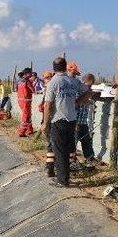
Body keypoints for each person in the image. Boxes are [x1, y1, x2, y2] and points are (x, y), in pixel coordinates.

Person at [42, 57, 93, 187]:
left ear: (54, 68)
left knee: (59, 151)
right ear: (65, 67)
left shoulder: (53, 82)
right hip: (72, 120)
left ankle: (62, 180)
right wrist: (78, 101)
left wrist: (45, 123)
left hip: (58, 120)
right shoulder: (73, 81)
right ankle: (65, 177)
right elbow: (88, 90)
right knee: (67, 149)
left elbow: (48, 105)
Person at [76, 73, 97, 165]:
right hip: (76, 121)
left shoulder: (87, 91)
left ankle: (90, 158)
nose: (90, 87)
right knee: (73, 141)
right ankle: (71, 160)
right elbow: (77, 102)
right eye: (89, 84)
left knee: (86, 141)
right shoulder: (78, 90)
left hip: (83, 121)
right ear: (84, 82)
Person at [17, 68, 35, 137]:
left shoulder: (19, 81)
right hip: (26, 101)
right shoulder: (27, 81)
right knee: (26, 117)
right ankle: (22, 132)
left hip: (20, 100)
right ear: (27, 74)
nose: (31, 74)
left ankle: (29, 130)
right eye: (30, 73)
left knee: (28, 116)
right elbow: (33, 90)